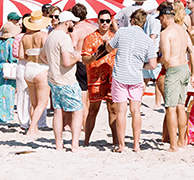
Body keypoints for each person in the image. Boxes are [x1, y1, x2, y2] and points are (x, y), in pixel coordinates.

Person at [110, 9, 157, 153]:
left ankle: (122, 145)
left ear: (132, 20)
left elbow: (109, 47)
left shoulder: (122, 32)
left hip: (120, 75)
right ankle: (136, 145)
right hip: (136, 77)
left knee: (121, 112)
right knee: (136, 111)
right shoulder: (148, 40)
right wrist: (142, 65)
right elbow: (153, 64)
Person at [156, 4, 194, 152]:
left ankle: (173, 145)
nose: (160, 22)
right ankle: (181, 140)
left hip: (173, 69)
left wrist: (154, 61)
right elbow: (191, 50)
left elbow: (165, 57)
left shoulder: (166, 33)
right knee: (180, 106)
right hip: (185, 68)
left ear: (164, 17)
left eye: (160, 19)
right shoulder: (182, 29)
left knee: (170, 108)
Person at [80, 9, 119, 147]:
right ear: (97, 21)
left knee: (113, 109)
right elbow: (84, 60)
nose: (104, 23)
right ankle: (86, 141)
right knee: (93, 110)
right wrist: (97, 54)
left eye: (107, 21)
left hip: (111, 78)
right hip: (95, 78)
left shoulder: (115, 37)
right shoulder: (89, 38)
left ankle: (115, 141)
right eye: (102, 21)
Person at [46, 12, 83, 150]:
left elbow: (43, 56)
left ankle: (58, 144)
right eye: (73, 22)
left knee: (58, 111)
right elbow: (67, 62)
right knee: (77, 111)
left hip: (53, 77)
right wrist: (77, 57)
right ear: (67, 22)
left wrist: (54, 64)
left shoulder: (51, 35)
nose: (74, 24)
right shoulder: (64, 38)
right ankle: (74, 144)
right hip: (66, 79)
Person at [20, 13, 52, 137]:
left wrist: (31, 54)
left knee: (34, 103)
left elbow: (21, 56)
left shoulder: (25, 37)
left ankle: (33, 126)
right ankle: (32, 128)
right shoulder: (43, 36)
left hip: (29, 67)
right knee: (42, 102)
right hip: (41, 68)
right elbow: (48, 54)